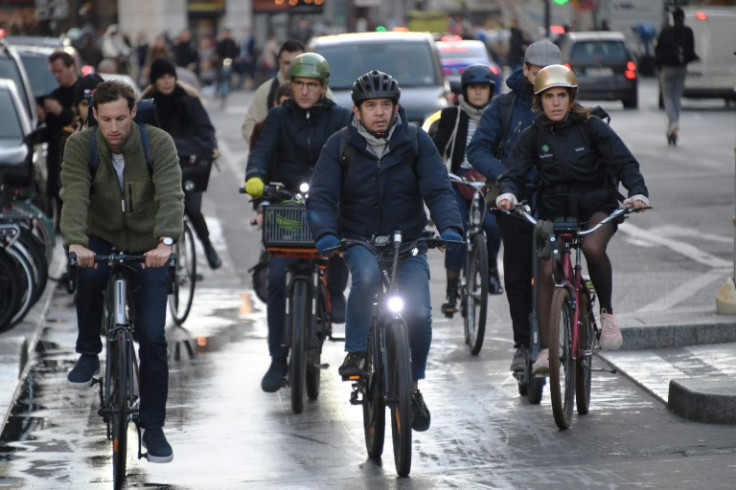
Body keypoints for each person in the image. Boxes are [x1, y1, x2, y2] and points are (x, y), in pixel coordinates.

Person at [306, 70, 463, 432]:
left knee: (420, 314)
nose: (379, 112)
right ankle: (357, 352)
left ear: (396, 108)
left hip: (407, 240)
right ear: (357, 110)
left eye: (386, 105)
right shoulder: (339, 144)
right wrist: (327, 234)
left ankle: (412, 388)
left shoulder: (416, 141)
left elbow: (438, 189)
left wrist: (450, 227)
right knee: (367, 277)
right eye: (371, 106)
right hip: (357, 238)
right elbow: (322, 196)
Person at [495, 64, 650, 375]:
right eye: (549, 96)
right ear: (538, 101)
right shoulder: (533, 135)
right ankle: (546, 351)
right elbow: (513, 173)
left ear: (571, 98)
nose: (556, 102)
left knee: (593, 248)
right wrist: (508, 194)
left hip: (597, 204)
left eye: (562, 96)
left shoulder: (592, 127)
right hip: (554, 210)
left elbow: (624, 162)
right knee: (546, 268)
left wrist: (637, 191)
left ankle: (606, 313)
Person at [60, 80, 184, 463]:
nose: (114, 128)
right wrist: (76, 242)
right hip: (99, 236)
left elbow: (169, 191)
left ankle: (154, 427)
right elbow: (75, 192)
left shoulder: (157, 142)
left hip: (148, 245)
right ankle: (87, 351)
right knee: (90, 277)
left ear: (134, 112)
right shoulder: (79, 146)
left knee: (152, 338)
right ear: (93, 115)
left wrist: (165, 242)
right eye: (105, 119)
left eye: (121, 118)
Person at [244, 53, 352, 393]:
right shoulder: (277, 116)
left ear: (323, 88)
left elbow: (349, 156)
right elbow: (261, 152)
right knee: (276, 278)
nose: (304, 91)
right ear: (291, 86)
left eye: (312, 85)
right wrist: (255, 179)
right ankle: (278, 357)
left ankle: (335, 292)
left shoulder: (340, 117)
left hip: (326, 199)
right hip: (285, 204)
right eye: (299, 85)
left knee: (338, 248)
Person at [467, 40, 561, 372]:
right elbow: (478, 149)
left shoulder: (563, 101)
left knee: (559, 269)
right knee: (518, 274)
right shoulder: (504, 107)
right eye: (536, 74)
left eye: (549, 76)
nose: (542, 83)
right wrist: (507, 175)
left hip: (555, 199)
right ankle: (523, 344)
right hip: (512, 200)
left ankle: (568, 324)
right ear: (524, 70)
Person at [431, 63, 501, 319]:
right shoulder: (451, 115)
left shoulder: (498, 115)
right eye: (474, 88)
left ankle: (491, 269)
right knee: (455, 232)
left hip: (489, 183)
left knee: (493, 226)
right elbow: (436, 148)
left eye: (484, 88)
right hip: (457, 180)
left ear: (491, 91)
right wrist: (436, 170)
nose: (479, 93)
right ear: (465, 91)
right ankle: (451, 290)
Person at [142, 57, 222, 269]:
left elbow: (206, 131)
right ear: (154, 80)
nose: (167, 82)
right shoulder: (147, 103)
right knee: (155, 212)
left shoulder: (189, 99)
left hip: (191, 164)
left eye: (170, 77)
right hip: (158, 166)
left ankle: (207, 246)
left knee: (193, 209)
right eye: (162, 78)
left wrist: (206, 147)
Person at [240, 39, 305, 148]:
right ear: (279, 62)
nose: (292, 67)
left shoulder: (318, 90)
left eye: (296, 63)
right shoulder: (266, 90)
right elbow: (249, 126)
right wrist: (265, 149)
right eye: (287, 63)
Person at [44, 51, 80, 226]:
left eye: (60, 71)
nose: (57, 76)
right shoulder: (54, 95)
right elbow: (50, 130)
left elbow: (81, 120)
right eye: (54, 72)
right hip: (56, 152)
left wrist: (62, 112)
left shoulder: (81, 91)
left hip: (76, 152)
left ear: (71, 67)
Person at [655, 7, 697, 146]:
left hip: (667, 68)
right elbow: (691, 49)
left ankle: (673, 122)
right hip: (681, 67)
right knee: (677, 97)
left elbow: (658, 49)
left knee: (667, 97)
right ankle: (674, 126)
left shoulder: (666, 32)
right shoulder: (688, 31)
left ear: (673, 18)